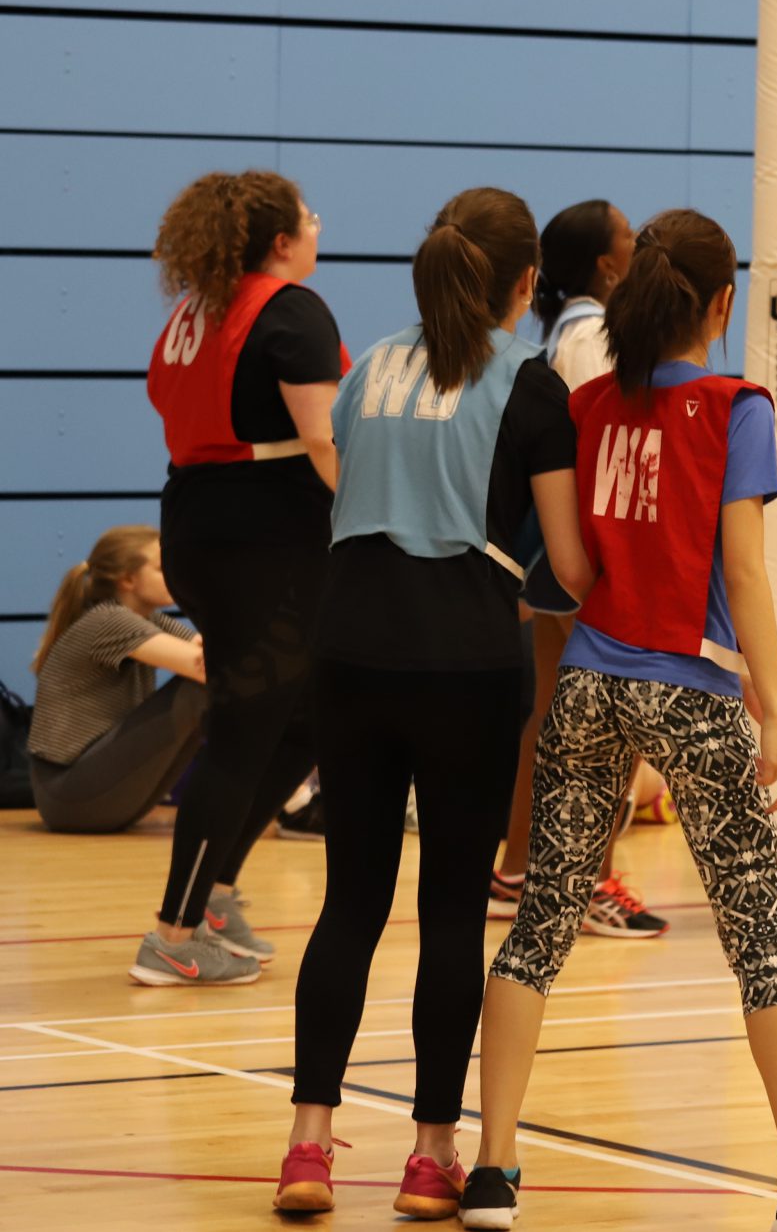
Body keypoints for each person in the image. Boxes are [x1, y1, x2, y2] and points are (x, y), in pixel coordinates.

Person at [468, 208, 777, 1232]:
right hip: (686, 693)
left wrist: (758, 681)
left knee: (539, 926)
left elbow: (588, 566)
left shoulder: (590, 399)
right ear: (723, 302)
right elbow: (741, 569)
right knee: (759, 941)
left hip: (591, 683)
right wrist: (775, 719)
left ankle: (494, 1170)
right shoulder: (734, 405)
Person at [270, 188, 595, 1220]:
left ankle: (308, 1149)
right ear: (524, 285)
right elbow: (570, 566)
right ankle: (428, 1155)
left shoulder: (367, 368)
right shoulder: (533, 388)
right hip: (463, 662)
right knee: (451, 910)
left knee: (350, 905)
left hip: (349, 651)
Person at [136, 170, 345, 987]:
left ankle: (215, 892)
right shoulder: (290, 309)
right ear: (282, 241)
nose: (318, 228)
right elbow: (326, 442)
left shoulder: (199, 306)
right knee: (243, 730)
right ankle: (172, 932)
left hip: (201, 517)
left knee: (309, 715)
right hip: (265, 539)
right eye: (309, 218)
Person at [489, 198, 666, 941]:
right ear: (605, 262)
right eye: (629, 235)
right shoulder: (592, 334)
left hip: (554, 550)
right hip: (585, 551)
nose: (639, 241)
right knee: (611, 723)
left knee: (551, 717)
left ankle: (516, 868)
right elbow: (605, 445)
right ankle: (589, 879)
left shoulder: (565, 330)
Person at [27, 526, 207, 835]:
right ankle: (290, 802)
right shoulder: (109, 621)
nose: (174, 574)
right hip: (69, 797)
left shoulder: (148, 619)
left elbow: (212, 653)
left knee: (223, 685)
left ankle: (283, 799)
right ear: (127, 580)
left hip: (93, 797)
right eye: (161, 568)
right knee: (203, 691)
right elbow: (207, 668)